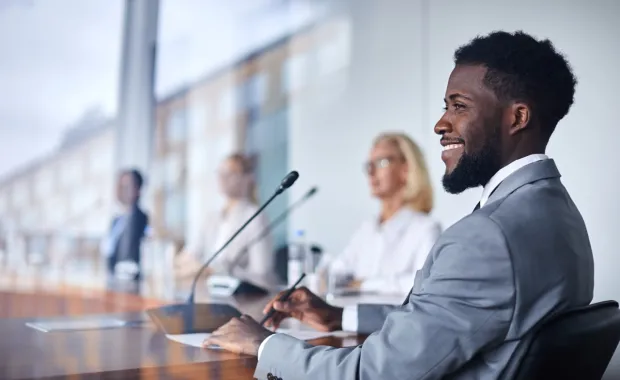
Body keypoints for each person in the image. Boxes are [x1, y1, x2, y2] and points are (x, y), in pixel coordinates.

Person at [203, 30, 594, 380]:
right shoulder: (560, 216)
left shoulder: (486, 236)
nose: (441, 123)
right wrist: (339, 316)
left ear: (517, 117)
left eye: (459, 106)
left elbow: (373, 373)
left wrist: (264, 345)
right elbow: (446, 322)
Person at [322, 132, 441, 296]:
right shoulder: (368, 228)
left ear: (406, 169)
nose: (371, 171)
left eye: (381, 162)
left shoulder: (425, 229)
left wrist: (363, 284)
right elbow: (337, 271)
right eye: (368, 165)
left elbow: (424, 284)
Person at [174, 153, 273, 279]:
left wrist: (212, 271)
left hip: (240, 296)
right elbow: (190, 253)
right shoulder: (212, 217)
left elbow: (261, 272)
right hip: (206, 289)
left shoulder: (256, 217)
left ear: (247, 177)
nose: (221, 178)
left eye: (229, 173)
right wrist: (183, 263)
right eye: (220, 173)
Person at [101, 169, 149, 280]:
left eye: (127, 186)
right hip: (113, 279)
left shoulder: (141, 218)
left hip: (131, 282)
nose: (122, 191)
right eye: (120, 186)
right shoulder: (116, 220)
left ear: (138, 190)